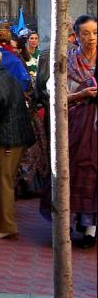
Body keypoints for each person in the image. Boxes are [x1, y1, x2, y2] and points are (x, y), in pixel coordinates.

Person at [0, 44, 36, 240]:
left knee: (3, 184)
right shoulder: (9, 77)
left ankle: (6, 226)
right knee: (6, 182)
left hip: (7, 139)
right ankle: (4, 222)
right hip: (18, 137)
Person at [67, 15, 97, 249]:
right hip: (75, 126)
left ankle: (90, 229)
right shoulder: (68, 62)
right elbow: (58, 96)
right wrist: (82, 95)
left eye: (95, 32)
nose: (91, 38)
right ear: (76, 36)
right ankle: (66, 224)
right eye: (86, 33)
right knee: (75, 172)